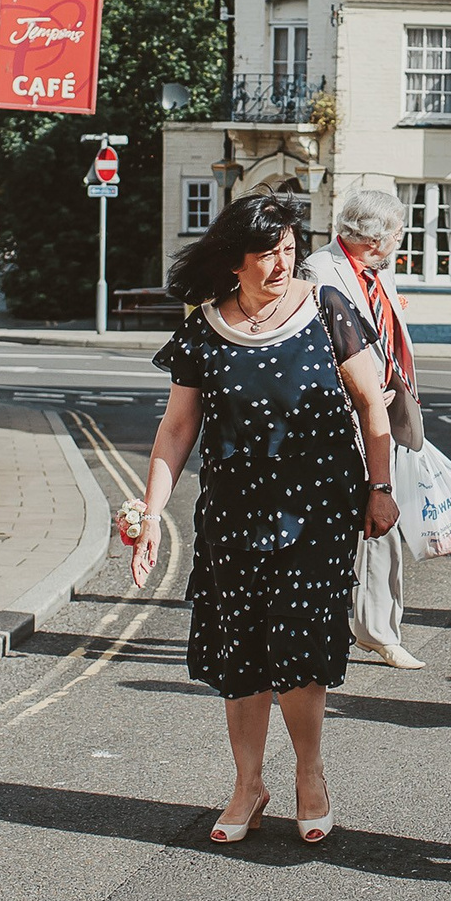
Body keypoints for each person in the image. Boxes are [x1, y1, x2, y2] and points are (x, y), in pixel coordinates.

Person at [129, 195, 400, 846]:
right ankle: (248, 784)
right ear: (234, 261)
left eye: (288, 250)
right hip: (233, 514)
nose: (281, 264)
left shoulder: (326, 309)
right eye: (266, 253)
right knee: (240, 649)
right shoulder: (204, 330)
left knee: (300, 644)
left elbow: (373, 406)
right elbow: (177, 430)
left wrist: (380, 488)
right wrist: (151, 512)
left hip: (319, 511)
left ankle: (310, 773)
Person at [305, 189, 427, 670]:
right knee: (335, 527)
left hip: (383, 416)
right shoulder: (318, 271)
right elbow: (308, 350)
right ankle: (328, 627)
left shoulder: (378, 271)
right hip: (338, 421)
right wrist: (356, 390)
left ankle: (378, 632)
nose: (401, 240)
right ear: (376, 238)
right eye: (398, 233)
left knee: (382, 523)